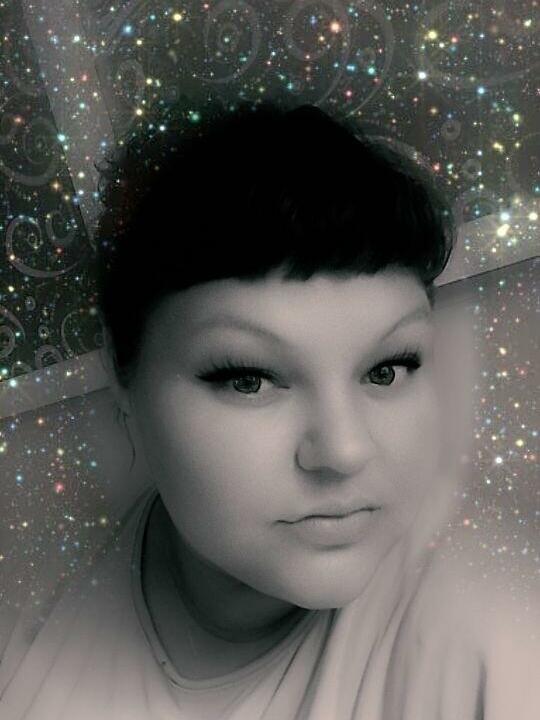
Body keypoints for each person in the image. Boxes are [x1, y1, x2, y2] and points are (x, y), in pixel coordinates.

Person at [0, 99, 537, 719]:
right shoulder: (30, 625)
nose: (344, 451)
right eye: (249, 379)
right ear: (123, 373)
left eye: (386, 370)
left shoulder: (502, 649)